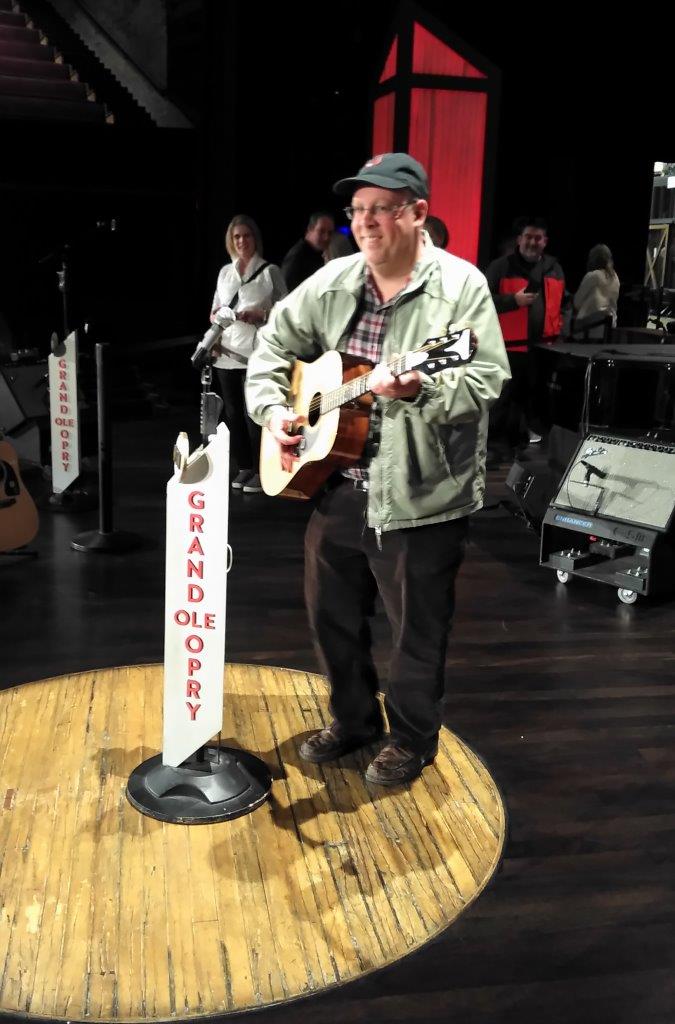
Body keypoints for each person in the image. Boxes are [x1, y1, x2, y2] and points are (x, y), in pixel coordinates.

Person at [246, 153, 509, 786]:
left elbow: (487, 378)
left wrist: (420, 389)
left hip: (422, 496)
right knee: (330, 617)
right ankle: (355, 721)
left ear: (418, 214)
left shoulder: (461, 287)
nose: (365, 223)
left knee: (416, 634)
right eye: (357, 210)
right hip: (336, 484)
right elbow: (274, 345)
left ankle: (413, 742)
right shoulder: (334, 280)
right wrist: (275, 410)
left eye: (381, 209)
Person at [210, 215, 286, 493]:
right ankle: (244, 466)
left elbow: (285, 310)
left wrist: (261, 314)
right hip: (227, 351)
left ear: (255, 238)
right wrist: (217, 320)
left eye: (247, 236)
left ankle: (261, 469)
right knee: (232, 414)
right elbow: (215, 308)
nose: (242, 241)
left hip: (256, 353)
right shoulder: (225, 273)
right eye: (237, 237)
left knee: (254, 414)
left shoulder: (269, 271)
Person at [485, 217, 565, 449]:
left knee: (534, 400)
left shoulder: (554, 268)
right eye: (528, 237)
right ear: (519, 239)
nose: (532, 242)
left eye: (537, 238)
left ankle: (524, 444)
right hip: (507, 347)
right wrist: (514, 301)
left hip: (545, 347)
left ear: (545, 241)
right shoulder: (500, 267)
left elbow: (560, 302)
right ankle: (493, 446)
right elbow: (483, 302)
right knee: (502, 400)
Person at [281, 212, 335, 291]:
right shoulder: (297, 256)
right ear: (310, 229)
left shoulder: (316, 254)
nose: (326, 237)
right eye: (321, 231)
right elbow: (287, 293)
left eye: (330, 233)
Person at [573, 243, 620, 333]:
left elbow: (577, 302)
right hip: (611, 327)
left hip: (591, 328)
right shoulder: (615, 277)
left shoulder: (593, 276)